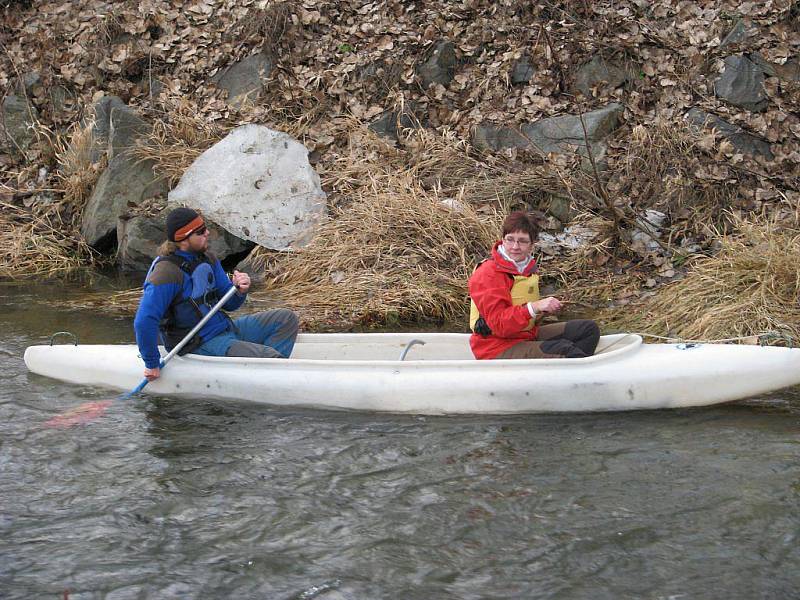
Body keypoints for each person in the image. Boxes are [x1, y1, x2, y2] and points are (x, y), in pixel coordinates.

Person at [133, 207, 299, 381]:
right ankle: (271, 373)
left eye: (204, 227)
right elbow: (144, 321)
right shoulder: (166, 273)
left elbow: (230, 304)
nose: (207, 233)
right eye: (200, 231)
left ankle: (262, 378)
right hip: (199, 342)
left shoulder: (207, 258)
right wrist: (151, 364)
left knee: (286, 319)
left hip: (225, 329)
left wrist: (240, 290)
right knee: (270, 358)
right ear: (183, 240)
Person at [468, 210, 599, 360]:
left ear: (532, 244)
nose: (515, 246)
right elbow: (499, 325)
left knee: (588, 330)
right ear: (502, 240)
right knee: (565, 350)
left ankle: (568, 374)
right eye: (510, 239)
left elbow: (523, 309)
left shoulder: (526, 269)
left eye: (522, 241)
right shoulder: (489, 273)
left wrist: (544, 310)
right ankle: (577, 375)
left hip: (525, 335)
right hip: (496, 347)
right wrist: (535, 307)